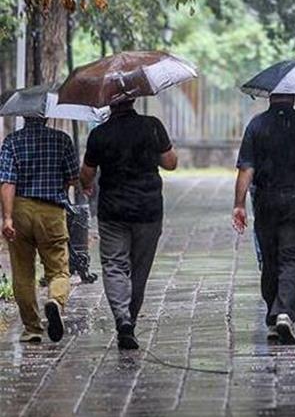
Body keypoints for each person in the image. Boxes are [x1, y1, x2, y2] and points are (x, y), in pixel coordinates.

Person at [232, 93, 295, 345]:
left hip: (266, 200)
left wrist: (239, 204)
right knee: (293, 257)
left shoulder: (257, 124)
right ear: (294, 96)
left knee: (271, 257)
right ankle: (284, 312)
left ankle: (274, 313)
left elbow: (247, 168)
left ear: (271, 96)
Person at [80, 99, 178, 350]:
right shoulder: (152, 126)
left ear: (109, 104)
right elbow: (171, 163)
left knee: (114, 264)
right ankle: (129, 320)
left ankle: (122, 319)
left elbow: (87, 174)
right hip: (148, 210)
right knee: (139, 269)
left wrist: (87, 185)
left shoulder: (99, 134)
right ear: (134, 99)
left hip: (112, 210)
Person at [0, 117, 79, 343]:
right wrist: (60, 185)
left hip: (20, 210)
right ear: (45, 116)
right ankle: (55, 300)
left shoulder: (12, 141)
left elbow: (6, 182)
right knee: (59, 269)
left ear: (24, 116)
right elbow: (73, 176)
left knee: (23, 273)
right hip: (52, 211)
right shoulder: (62, 140)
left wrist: (7, 218)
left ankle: (32, 328)